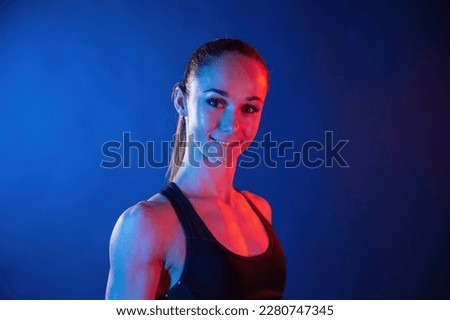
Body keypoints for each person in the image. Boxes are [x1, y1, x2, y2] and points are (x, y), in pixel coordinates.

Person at [105, 38, 286, 299]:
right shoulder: (146, 225)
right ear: (181, 101)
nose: (231, 126)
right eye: (216, 102)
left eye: (249, 108)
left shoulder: (260, 210)